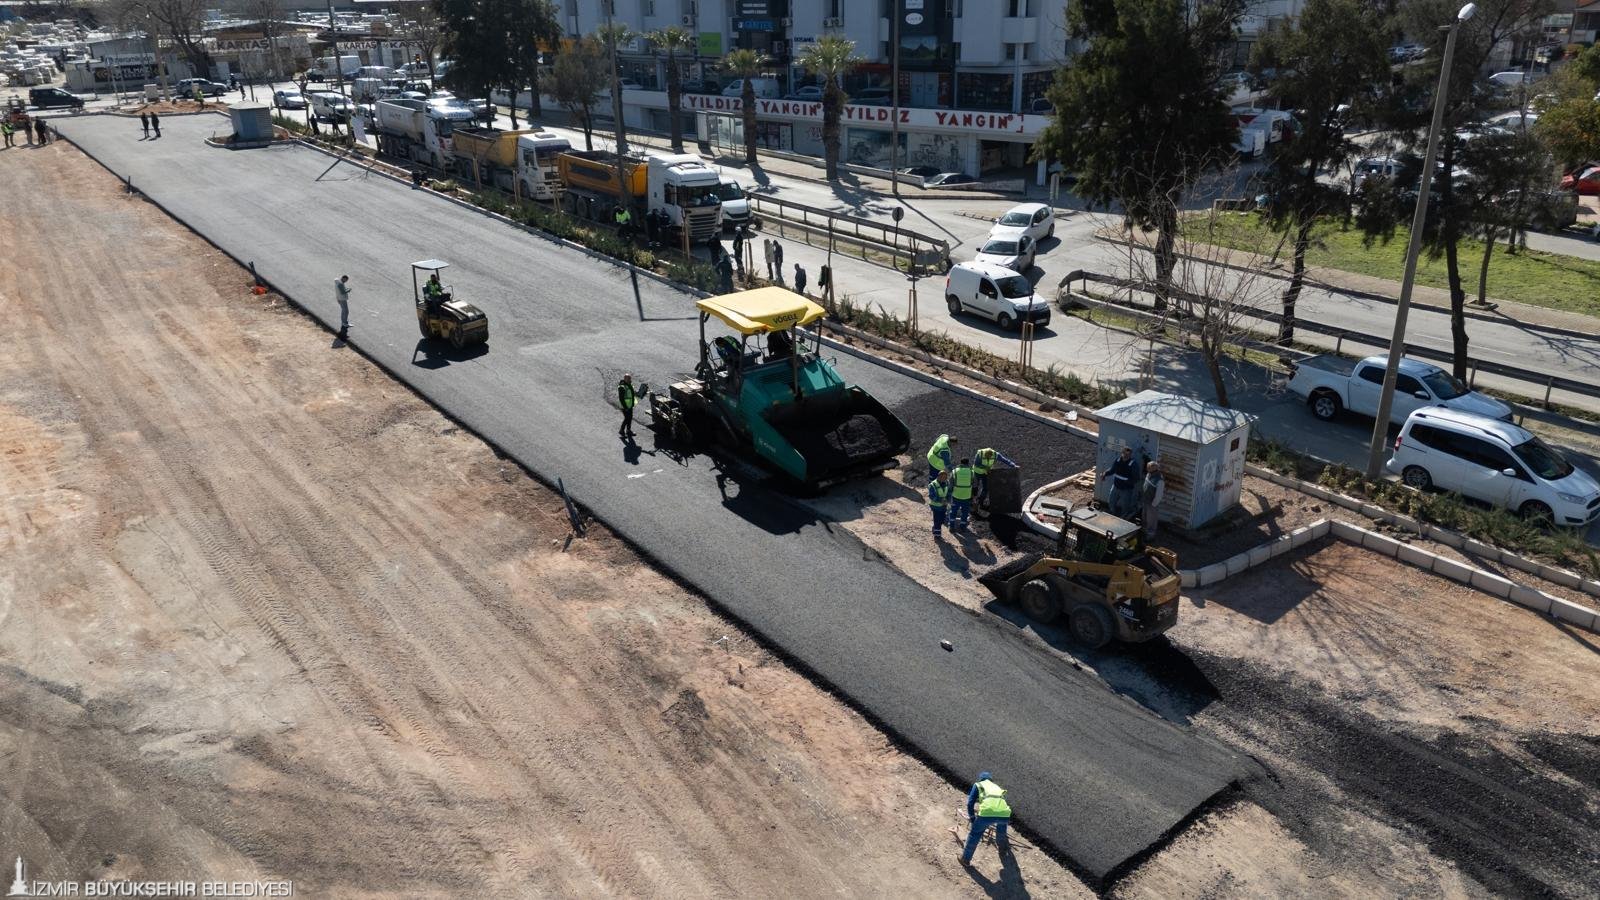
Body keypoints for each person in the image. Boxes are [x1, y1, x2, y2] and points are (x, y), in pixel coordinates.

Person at [961, 772, 1012, 866]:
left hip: (986, 815)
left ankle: (965, 859)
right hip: (1005, 814)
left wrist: (972, 818)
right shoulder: (996, 787)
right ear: (990, 780)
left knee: (975, 834)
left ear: (981, 779)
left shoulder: (978, 785)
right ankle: (1003, 851)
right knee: (1001, 832)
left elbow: (970, 803)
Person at [1104, 446, 1140, 519]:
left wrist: (1128, 482)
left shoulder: (1133, 464)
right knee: (1111, 501)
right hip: (1116, 486)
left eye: (1128, 454)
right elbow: (1112, 470)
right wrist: (1105, 474)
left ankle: (1123, 518)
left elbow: (1136, 478)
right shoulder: (1117, 460)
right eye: (1124, 453)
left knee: (1125, 505)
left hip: (1126, 489)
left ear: (1130, 455)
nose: (1126, 455)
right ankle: (1112, 514)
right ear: (1122, 453)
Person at [948, 457, 976, 532]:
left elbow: (950, 484)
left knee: (953, 511)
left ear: (960, 463)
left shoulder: (954, 471)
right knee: (965, 512)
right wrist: (973, 494)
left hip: (956, 495)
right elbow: (974, 484)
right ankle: (963, 526)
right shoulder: (971, 472)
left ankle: (951, 526)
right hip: (967, 496)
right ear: (968, 463)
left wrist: (949, 493)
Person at [1140, 460, 1166, 538]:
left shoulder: (1159, 480)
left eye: (1149, 468)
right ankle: (1144, 532)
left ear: (1154, 469)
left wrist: (1154, 504)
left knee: (1151, 520)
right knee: (1144, 518)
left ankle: (1150, 535)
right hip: (1145, 500)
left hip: (1151, 503)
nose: (1147, 469)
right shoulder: (1149, 474)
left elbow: (1159, 495)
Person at [617, 373, 647, 438]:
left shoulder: (629, 385)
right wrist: (625, 407)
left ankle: (628, 431)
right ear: (625, 379)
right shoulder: (622, 387)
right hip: (625, 406)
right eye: (628, 378)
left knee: (630, 418)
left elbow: (633, 393)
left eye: (630, 378)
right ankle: (622, 430)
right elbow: (621, 399)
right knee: (627, 418)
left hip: (630, 405)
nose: (630, 379)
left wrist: (641, 393)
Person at [928, 469, 951, 538]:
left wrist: (947, 499)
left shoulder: (947, 483)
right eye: (942, 477)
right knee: (937, 519)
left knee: (942, 519)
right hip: (936, 506)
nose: (943, 479)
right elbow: (931, 496)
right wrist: (940, 500)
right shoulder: (932, 485)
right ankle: (937, 534)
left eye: (945, 477)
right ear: (938, 476)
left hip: (944, 506)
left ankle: (935, 527)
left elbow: (949, 493)